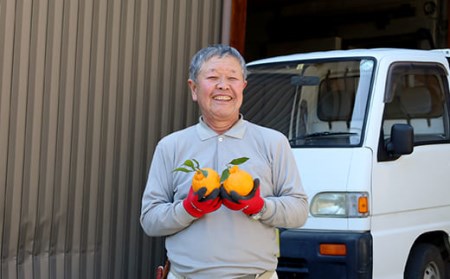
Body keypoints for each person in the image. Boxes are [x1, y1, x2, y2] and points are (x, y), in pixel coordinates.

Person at [140, 44, 308, 279]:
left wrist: (259, 206)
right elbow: (150, 220)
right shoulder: (171, 146)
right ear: (194, 88)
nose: (223, 85)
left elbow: (299, 211)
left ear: (243, 87)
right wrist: (189, 208)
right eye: (212, 77)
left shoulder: (273, 142)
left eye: (232, 77)